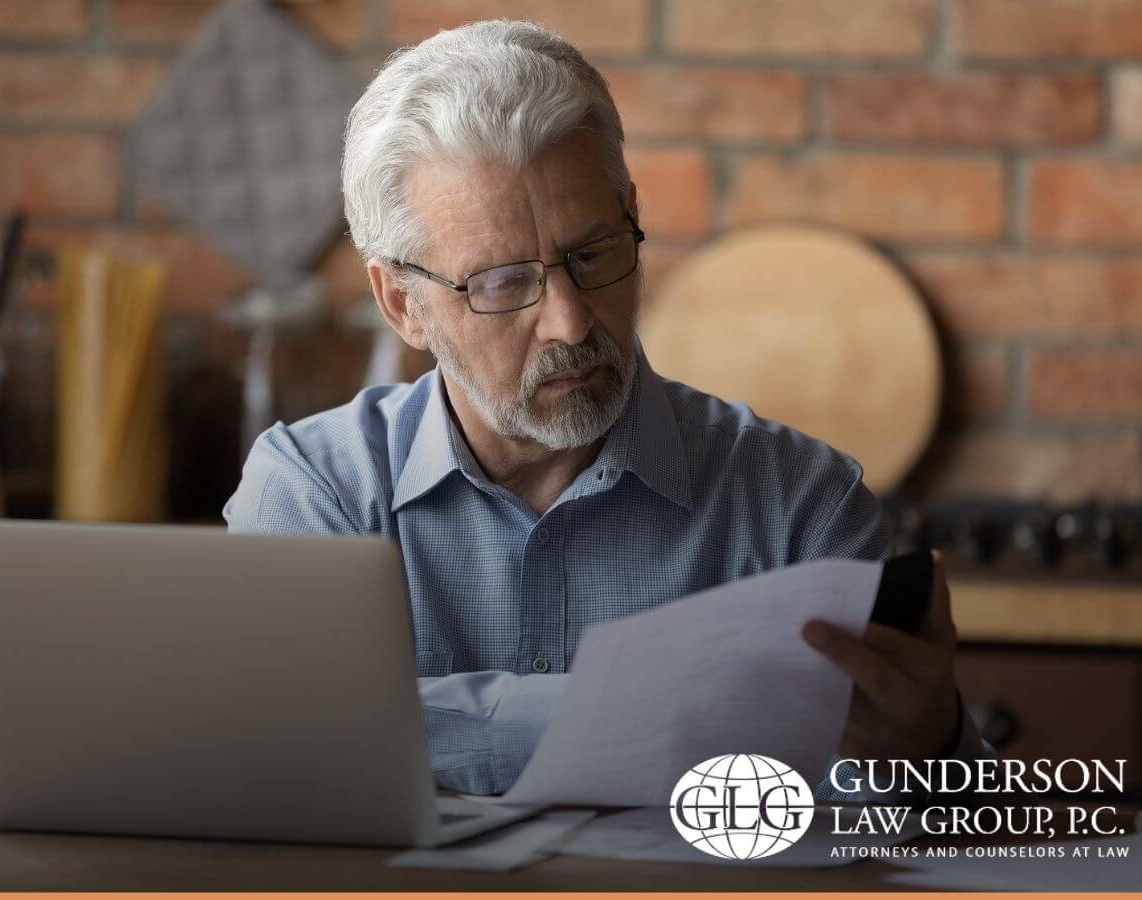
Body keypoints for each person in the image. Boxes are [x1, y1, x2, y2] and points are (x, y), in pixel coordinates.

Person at [224, 18, 991, 799]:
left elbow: (905, 839)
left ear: (632, 214)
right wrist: (668, 718)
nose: (571, 321)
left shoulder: (796, 506)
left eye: (592, 254)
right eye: (501, 282)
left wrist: (936, 753)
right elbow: (274, 760)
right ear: (401, 304)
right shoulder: (315, 496)